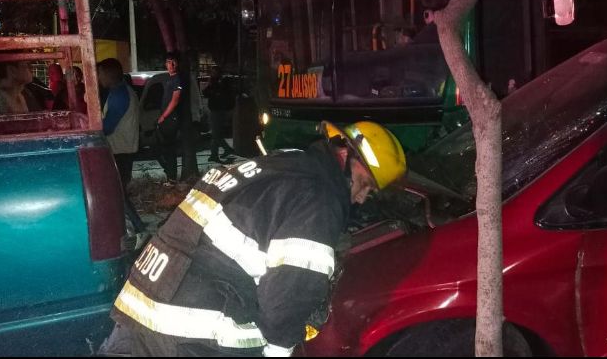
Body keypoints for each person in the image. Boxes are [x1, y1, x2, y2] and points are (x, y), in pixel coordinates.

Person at [109, 120, 407, 357]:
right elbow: (288, 297)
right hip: (192, 335)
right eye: (365, 183)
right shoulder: (319, 198)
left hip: (143, 308)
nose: (362, 198)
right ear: (345, 156)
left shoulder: (284, 164)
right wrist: (279, 352)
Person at [97, 57, 144, 232]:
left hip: (120, 151)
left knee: (117, 195)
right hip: (123, 150)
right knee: (118, 194)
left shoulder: (120, 95)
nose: (99, 77)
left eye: (100, 73)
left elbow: (107, 127)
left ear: (109, 74)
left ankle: (139, 229)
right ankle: (135, 229)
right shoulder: (121, 91)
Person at [155, 52, 183, 184]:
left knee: (169, 150)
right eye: (168, 62)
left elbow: (175, 100)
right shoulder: (169, 78)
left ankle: (171, 179)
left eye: (173, 62)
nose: (171, 65)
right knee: (164, 149)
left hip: (171, 119)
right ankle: (170, 177)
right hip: (166, 120)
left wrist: (163, 116)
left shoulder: (177, 79)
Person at [203, 66, 236, 163]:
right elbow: (206, 92)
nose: (212, 74)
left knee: (215, 134)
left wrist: (212, 91)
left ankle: (215, 154)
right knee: (217, 134)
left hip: (218, 111)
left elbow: (217, 94)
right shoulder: (214, 82)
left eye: (214, 72)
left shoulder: (220, 83)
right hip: (215, 110)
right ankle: (225, 150)